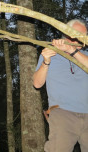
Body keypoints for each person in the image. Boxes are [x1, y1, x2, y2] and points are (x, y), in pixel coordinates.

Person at [33, 19, 88, 152]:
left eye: (85, 35)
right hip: (63, 114)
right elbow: (37, 83)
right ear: (68, 34)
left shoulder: (85, 55)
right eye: (80, 34)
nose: (83, 38)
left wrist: (73, 51)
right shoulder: (52, 53)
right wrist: (46, 61)